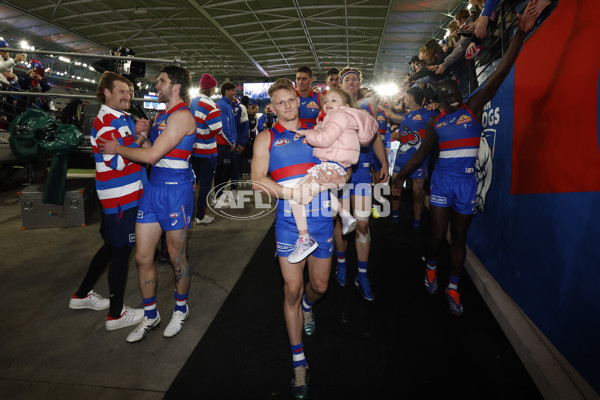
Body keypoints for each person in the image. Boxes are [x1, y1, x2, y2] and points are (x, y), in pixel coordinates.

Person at [391, 1, 540, 316]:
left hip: (466, 184)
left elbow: (499, 72)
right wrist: (401, 176)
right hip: (443, 182)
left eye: (457, 95)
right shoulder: (437, 122)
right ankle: (431, 266)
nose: (456, 99)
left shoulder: (473, 107)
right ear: (441, 101)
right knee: (436, 235)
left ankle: (454, 287)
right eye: (449, 97)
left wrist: (519, 36)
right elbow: (420, 152)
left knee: (460, 237)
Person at [251, 78, 347, 399]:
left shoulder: (318, 129)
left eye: (291, 99)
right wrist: (293, 191)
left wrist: (338, 176)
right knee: (291, 288)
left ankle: (309, 305)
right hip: (289, 222)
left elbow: (342, 164)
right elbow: (257, 181)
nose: (288, 106)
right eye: (280, 102)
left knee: (319, 287)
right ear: (272, 107)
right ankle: (299, 360)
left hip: (323, 219)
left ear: (297, 99)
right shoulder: (267, 138)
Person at [98, 65, 197, 342]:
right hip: (153, 189)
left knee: (177, 257)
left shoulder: (182, 116)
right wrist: (141, 133)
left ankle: (181, 308)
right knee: (142, 257)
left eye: (161, 82)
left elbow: (151, 156)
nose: (156, 86)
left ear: (175, 86)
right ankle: (151, 315)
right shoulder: (163, 115)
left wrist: (117, 148)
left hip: (176, 192)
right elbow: (146, 150)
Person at [69, 71, 148, 331]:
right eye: (122, 91)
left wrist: (137, 136)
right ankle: (116, 315)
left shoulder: (122, 119)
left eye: (129, 91)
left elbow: (125, 149)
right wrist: (135, 142)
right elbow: (116, 161)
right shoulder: (105, 124)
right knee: (121, 252)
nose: (128, 95)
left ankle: (82, 295)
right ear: (106, 92)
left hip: (125, 196)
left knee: (112, 247)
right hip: (119, 200)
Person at [287, 88, 378, 264]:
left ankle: (305, 238)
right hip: (335, 165)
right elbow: (326, 135)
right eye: (326, 100)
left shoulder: (339, 116)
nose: (328, 103)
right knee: (321, 192)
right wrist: (314, 131)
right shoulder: (340, 119)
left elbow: (324, 139)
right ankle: (345, 215)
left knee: (296, 194)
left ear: (345, 105)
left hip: (332, 165)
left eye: (334, 100)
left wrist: (308, 133)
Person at [333, 66, 389, 301]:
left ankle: (363, 275)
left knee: (363, 224)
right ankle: (342, 264)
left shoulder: (369, 105)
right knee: (342, 222)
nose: (352, 82)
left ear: (359, 83)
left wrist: (383, 164)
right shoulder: (334, 105)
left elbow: (375, 136)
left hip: (363, 169)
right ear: (342, 84)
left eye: (355, 79)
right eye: (348, 79)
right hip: (342, 170)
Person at [390, 87, 438, 231]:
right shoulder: (406, 115)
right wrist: (397, 133)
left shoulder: (430, 114)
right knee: (395, 188)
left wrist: (439, 106)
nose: (404, 99)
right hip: (401, 157)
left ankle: (417, 224)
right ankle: (394, 218)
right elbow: (407, 131)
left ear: (411, 97)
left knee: (417, 193)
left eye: (406, 96)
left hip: (419, 160)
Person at [189, 73, 222, 226]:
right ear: (212, 89)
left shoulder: (189, 102)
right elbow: (217, 128)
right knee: (205, 186)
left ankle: (186, 214)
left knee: (190, 184)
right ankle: (200, 216)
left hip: (190, 150)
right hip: (207, 151)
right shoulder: (211, 105)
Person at [213, 81, 237, 203]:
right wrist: (231, 141)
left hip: (227, 145)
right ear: (226, 91)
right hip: (224, 146)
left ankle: (219, 194)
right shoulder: (222, 105)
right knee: (222, 170)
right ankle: (217, 196)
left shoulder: (227, 105)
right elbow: (223, 126)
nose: (235, 93)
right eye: (233, 90)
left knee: (229, 169)